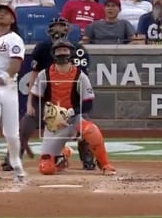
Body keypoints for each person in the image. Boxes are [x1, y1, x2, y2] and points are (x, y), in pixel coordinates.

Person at [1, 17, 96, 172]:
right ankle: (12, 158)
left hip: (71, 104)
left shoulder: (80, 50)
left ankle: (88, 159)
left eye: (61, 26)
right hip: (46, 103)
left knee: (86, 126)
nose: (58, 30)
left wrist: (75, 110)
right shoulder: (42, 47)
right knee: (25, 124)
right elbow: (34, 75)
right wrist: (30, 103)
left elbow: (82, 84)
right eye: (55, 27)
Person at [29, 40, 116, 176]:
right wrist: (47, 114)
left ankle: (105, 164)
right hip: (54, 124)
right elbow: (35, 99)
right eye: (59, 50)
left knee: (91, 130)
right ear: (53, 53)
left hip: (74, 119)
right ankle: (63, 154)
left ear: (71, 53)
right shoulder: (43, 75)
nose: (62, 53)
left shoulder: (80, 76)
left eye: (65, 50)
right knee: (47, 169)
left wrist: (71, 112)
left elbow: (88, 103)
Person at [0, 5, 27, 187]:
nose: (1, 15)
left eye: (6, 13)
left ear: (12, 19)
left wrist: (1, 80)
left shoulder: (14, 39)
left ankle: (16, 166)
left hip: (6, 87)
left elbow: (15, 65)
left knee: (11, 133)